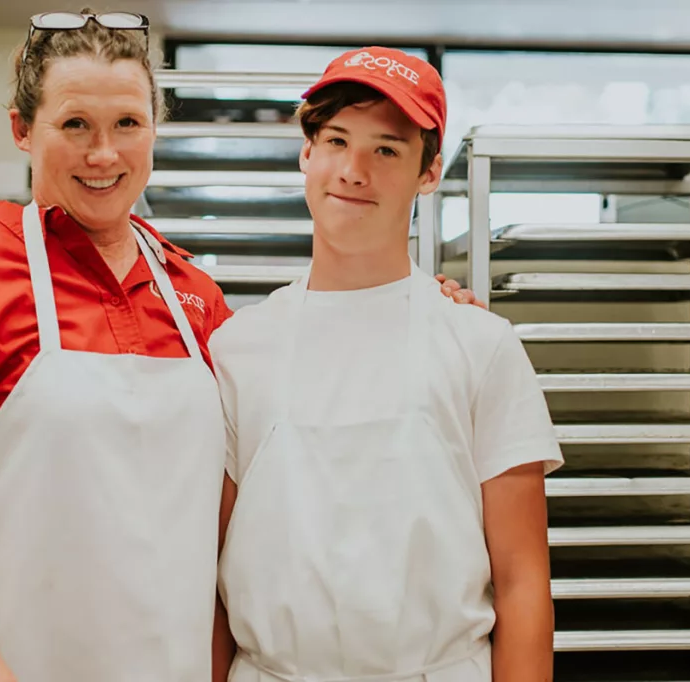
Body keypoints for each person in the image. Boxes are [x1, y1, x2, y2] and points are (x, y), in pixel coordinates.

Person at [0, 14, 481, 682]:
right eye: (74, 125)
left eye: (127, 124)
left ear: (155, 129)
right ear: (22, 131)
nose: (104, 154)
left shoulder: (195, 298)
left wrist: (417, 305)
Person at [211, 47, 565, 682]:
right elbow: (208, 580)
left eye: (387, 150)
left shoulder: (482, 345)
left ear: (428, 174)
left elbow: (523, 584)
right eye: (337, 140)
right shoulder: (239, 347)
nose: (353, 170)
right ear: (306, 154)